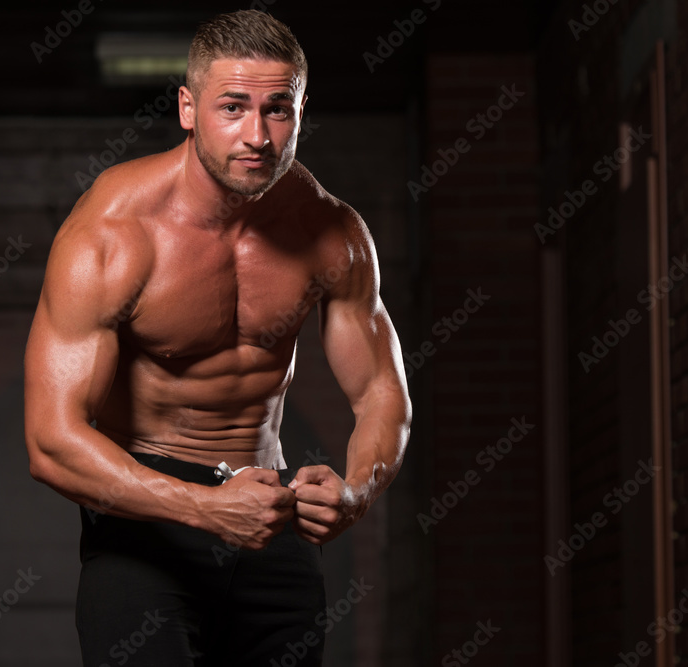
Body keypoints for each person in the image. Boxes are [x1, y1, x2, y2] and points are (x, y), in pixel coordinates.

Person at [24, 9, 411, 666]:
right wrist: (205, 508)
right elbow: (50, 441)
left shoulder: (331, 231)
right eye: (232, 107)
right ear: (187, 107)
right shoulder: (114, 231)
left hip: (266, 508)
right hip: (145, 522)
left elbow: (381, 389)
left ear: (301, 109)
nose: (257, 135)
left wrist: (356, 490)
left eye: (277, 110)